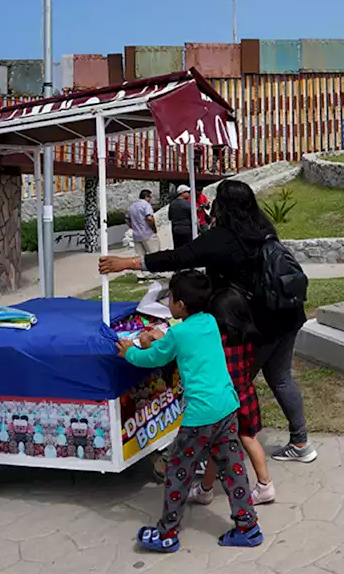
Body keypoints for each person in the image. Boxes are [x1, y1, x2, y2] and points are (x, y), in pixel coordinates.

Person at [100, 180, 315, 463]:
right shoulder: (263, 228)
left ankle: (207, 455)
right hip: (287, 314)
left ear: (222, 206)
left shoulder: (223, 236)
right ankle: (300, 443)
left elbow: (178, 257)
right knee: (281, 377)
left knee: (228, 388)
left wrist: (128, 263)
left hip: (256, 323)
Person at [117, 270, 262, 552]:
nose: (168, 302)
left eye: (170, 297)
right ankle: (248, 526)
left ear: (181, 305)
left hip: (200, 416)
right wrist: (160, 339)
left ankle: (167, 533)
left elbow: (153, 358)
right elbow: (181, 345)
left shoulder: (180, 333)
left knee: (178, 470)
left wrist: (129, 353)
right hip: (227, 407)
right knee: (232, 468)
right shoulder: (208, 321)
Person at [189, 287, 275, 506]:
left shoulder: (218, 341)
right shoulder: (248, 335)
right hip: (245, 394)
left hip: (224, 400)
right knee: (249, 439)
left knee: (216, 446)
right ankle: (264, 485)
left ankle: (205, 490)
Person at [127, 190, 160, 277]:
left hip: (136, 234)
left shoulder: (132, 206)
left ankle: (140, 275)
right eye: (150, 197)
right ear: (147, 197)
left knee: (140, 256)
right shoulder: (146, 205)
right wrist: (154, 228)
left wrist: (132, 227)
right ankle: (154, 273)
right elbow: (149, 218)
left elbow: (127, 219)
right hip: (147, 233)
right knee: (154, 254)